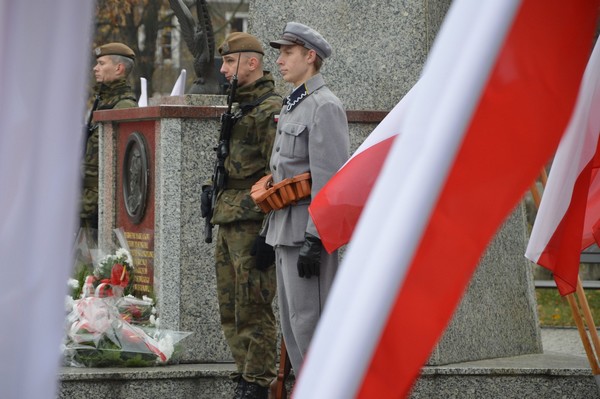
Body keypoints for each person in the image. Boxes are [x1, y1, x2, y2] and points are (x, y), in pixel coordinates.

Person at [265, 23, 350, 373]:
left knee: (311, 330)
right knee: (294, 330)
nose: (281, 60)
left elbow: (332, 182)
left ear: (309, 56)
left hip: (307, 236)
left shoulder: (324, 106)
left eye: (288, 52)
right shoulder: (294, 104)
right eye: (280, 52)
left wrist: (316, 238)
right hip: (285, 232)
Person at [206, 32, 281, 399]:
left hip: (253, 222)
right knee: (231, 307)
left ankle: (258, 383)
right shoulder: (240, 106)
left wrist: (270, 233)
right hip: (229, 217)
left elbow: (280, 175)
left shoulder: (270, 109)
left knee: (255, 307)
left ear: (252, 63)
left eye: (229, 62)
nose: (223, 70)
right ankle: (243, 374)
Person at [80, 42, 138, 229]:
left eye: (102, 63)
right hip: (86, 198)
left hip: (98, 202)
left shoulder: (124, 106)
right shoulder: (103, 101)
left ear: (119, 68)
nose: (95, 68)